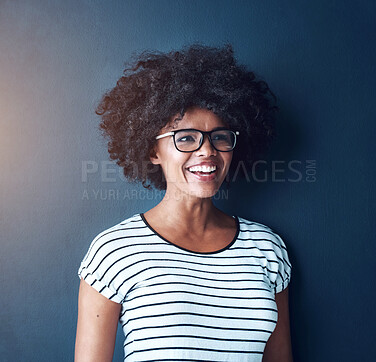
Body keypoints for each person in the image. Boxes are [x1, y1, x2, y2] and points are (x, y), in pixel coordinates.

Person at [75, 44, 293, 362]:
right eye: (187, 138)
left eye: (220, 137)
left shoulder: (267, 249)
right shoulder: (114, 250)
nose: (207, 151)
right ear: (152, 151)